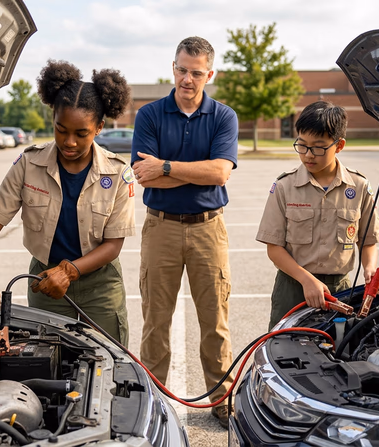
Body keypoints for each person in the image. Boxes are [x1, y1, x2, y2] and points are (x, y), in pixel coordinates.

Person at [0, 60, 135, 345]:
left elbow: (113, 244)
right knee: (49, 360)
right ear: (53, 120)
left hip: (100, 286)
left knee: (111, 363)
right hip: (44, 282)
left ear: (99, 128)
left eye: (81, 133)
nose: (69, 141)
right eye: (61, 129)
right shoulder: (28, 164)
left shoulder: (119, 172)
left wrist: (69, 270)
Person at [130, 36, 238, 428]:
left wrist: (168, 168)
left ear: (210, 73)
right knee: (156, 322)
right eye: (181, 69)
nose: (187, 79)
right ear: (172, 67)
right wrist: (192, 172)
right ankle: (155, 401)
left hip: (209, 229)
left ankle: (221, 401)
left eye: (196, 72)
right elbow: (144, 175)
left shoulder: (224, 117)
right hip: (160, 228)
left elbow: (221, 172)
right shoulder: (150, 115)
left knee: (216, 322)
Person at [256, 101, 379, 331]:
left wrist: (370, 268)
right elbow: (274, 248)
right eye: (302, 146)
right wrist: (306, 280)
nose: (308, 155)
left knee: (336, 350)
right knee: (286, 351)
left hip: (341, 290)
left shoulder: (359, 186)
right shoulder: (285, 186)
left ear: (339, 145)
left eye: (318, 147)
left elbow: (368, 241)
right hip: (293, 287)